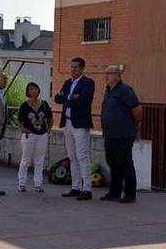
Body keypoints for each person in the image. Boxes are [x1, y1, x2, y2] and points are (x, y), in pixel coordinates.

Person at [54, 57, 95, 201]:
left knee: (82, 155)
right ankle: (75, 187)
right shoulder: (67, 82)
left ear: (82, 69)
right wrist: (71, 97)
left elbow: (84, 100)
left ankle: (87, 189)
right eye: (71, 67)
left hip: (80, 124)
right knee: (72, 156)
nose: (73, 70)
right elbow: (57, 99)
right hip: (67, 123)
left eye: (76, 67)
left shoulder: (88, 83)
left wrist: (67, 98)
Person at [99, 65, 142, 203]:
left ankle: (130, 193)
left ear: (118, 75)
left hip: (123, 134)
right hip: (110, 134)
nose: (106, 76)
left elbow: (137, 109)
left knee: (125, 163)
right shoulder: (108, 91)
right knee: (112, 162)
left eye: (109, 73)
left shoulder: (125, 90)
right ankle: (114, 192)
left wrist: (134, 125)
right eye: (106, 73)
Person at [17, 82, 53, 192]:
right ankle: (22, 183)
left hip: (42, 135)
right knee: (26, 160)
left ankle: (38, 184)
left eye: (36, 88)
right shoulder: (24, 105)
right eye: (31, 89)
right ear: (28, 91)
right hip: (29, 135)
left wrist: (48, 130)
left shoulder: (45, 104)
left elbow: (50, 118)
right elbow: (19, 121)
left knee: (39, 160)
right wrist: (24, 130)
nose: (34, 91)